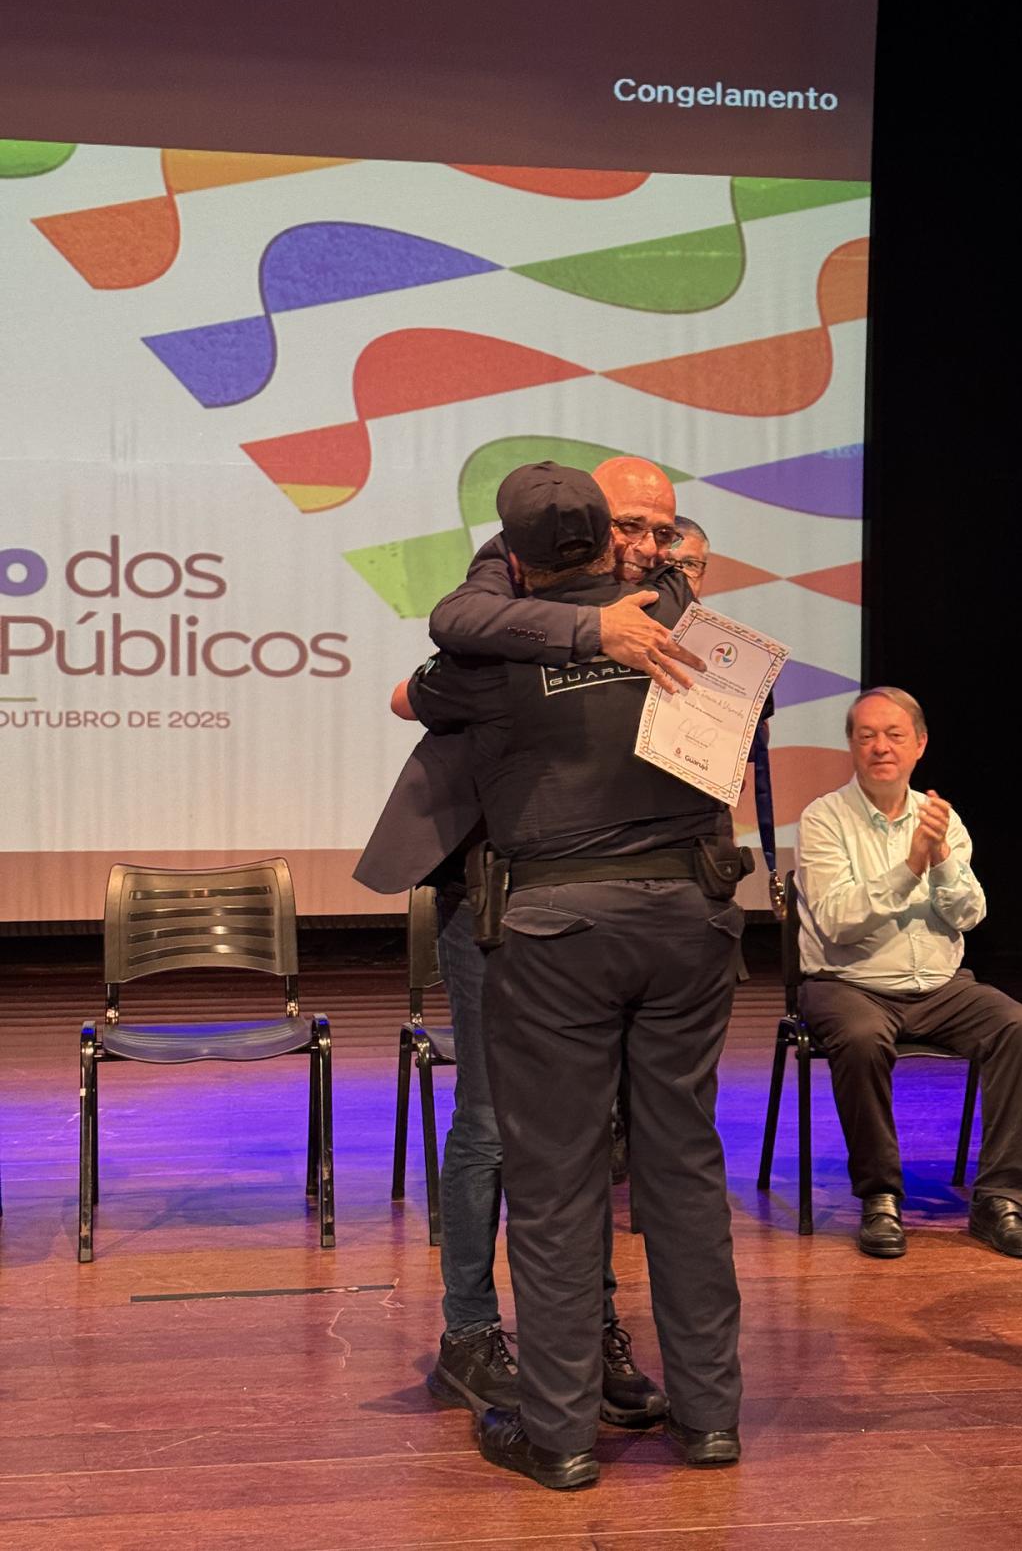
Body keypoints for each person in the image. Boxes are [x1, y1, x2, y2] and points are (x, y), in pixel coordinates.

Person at [416, 461, 745, 1489]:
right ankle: (708, 1418)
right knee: (682, 1167)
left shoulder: (485, 654)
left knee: (556, 1182)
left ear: (509, 558)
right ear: (617, 541)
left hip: (556, 929)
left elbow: (429, 663)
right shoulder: (693, 628)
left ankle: (557, 1433)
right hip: (689, 920)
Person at [356, 458, 701, 1425]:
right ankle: (469, 1336)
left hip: (604, 896)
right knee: (495, 1121)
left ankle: (587, 1333)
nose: (642, 545)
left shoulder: (668, 597)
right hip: (488, 886)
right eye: (628, 524)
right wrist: (592, 629)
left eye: (661, 531)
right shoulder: (507, 576)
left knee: (593, 1127)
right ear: (585, 525)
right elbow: (441, 648)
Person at [795, 687, 1022, 1259]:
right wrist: (911, 865)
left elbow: (970, 914)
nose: (880, 747)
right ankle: (880, 1197)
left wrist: (939, 858)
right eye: (866, 737)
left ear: (919, 745)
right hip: (848, 982)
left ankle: (1000, 1201)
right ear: (852, 747)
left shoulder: (941, 818)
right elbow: (837, 921)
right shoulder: (824, 818)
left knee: (1017, 1026)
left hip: (940, 985)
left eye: (894, 735)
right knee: (859, 1038)